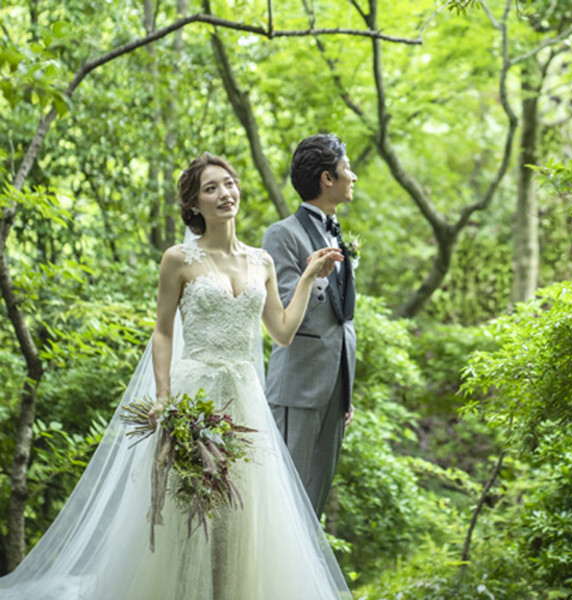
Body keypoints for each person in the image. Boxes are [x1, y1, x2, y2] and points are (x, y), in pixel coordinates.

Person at [0, 153, 352, 600]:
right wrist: (164, 394)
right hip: (194, 397)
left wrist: (305, 279)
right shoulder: (179, 259)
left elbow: (282, 333)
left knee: (241, 515)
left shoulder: (261, 261)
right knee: (190, 512)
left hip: (245, 400)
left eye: (229, 184)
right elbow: (163, 332)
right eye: (211, 188)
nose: (225, 194)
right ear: (194, 204)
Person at [262, 133, 357, 518]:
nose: (353, 177)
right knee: (284, 500)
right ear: (326, 179)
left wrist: (347, 386)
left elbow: (343, 317)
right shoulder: (281, 234)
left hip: (336, 385)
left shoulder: (336, 230)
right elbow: (283, 309)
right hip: (298, 388)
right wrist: (316, 276)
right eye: (347, 168)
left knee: (312, 505)